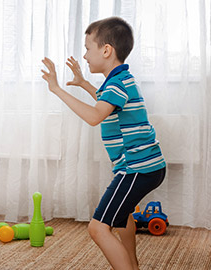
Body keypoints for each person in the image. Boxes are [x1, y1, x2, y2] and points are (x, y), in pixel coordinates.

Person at [41, 17, 166, 270]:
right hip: (147, 166)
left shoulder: (117, 83)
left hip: (136, 168)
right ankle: (132, 264)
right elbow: (106, 103)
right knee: (122, 218)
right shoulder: (120, 80)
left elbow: (95, 115)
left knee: (98, 228)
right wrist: (83, 83)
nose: (85, 56)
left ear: (106, 50)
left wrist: (56, 88)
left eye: (88, 48)